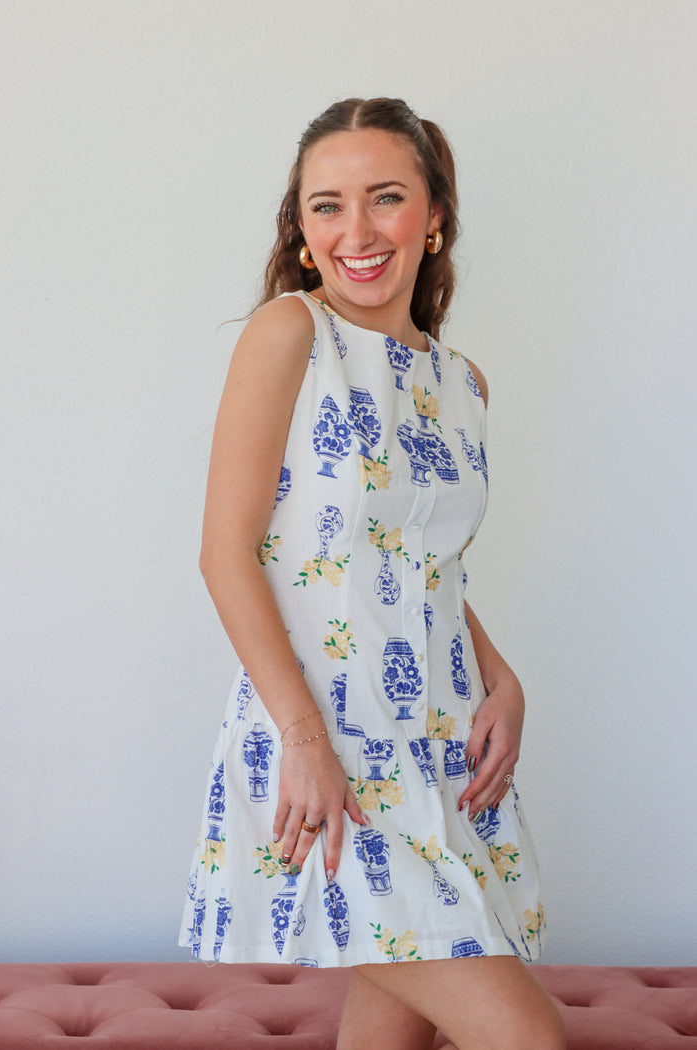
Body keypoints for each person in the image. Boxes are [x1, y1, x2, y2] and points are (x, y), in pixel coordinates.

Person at [179, 97, 565, 1050]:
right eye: (326, 206)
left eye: (386, 198)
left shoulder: (464, 383)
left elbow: (425, 565)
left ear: (434, 218)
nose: (357, 231)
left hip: (439, 746)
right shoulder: (290, 336)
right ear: (302, 232)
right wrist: (304, 738)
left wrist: (502, 674)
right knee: (526, 1038)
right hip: (331, 750)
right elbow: (225, 554)